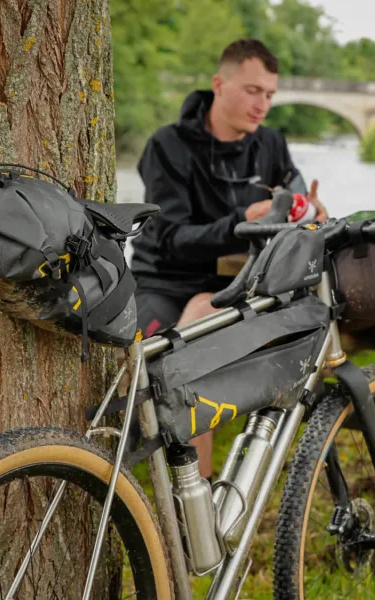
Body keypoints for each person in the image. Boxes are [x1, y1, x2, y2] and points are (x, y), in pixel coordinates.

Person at [130, 39, 327, 477]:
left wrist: (310, 212)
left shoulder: (271, 144)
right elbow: (171, 240)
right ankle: (189, 492)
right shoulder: (168, 145)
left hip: (241, 283)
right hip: (165, 281)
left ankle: (215, 485)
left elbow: (291, 202)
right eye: (253, 91)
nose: (263, 106)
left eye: (271, 95)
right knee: (176, 358)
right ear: (220, 84)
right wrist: (244, 219)